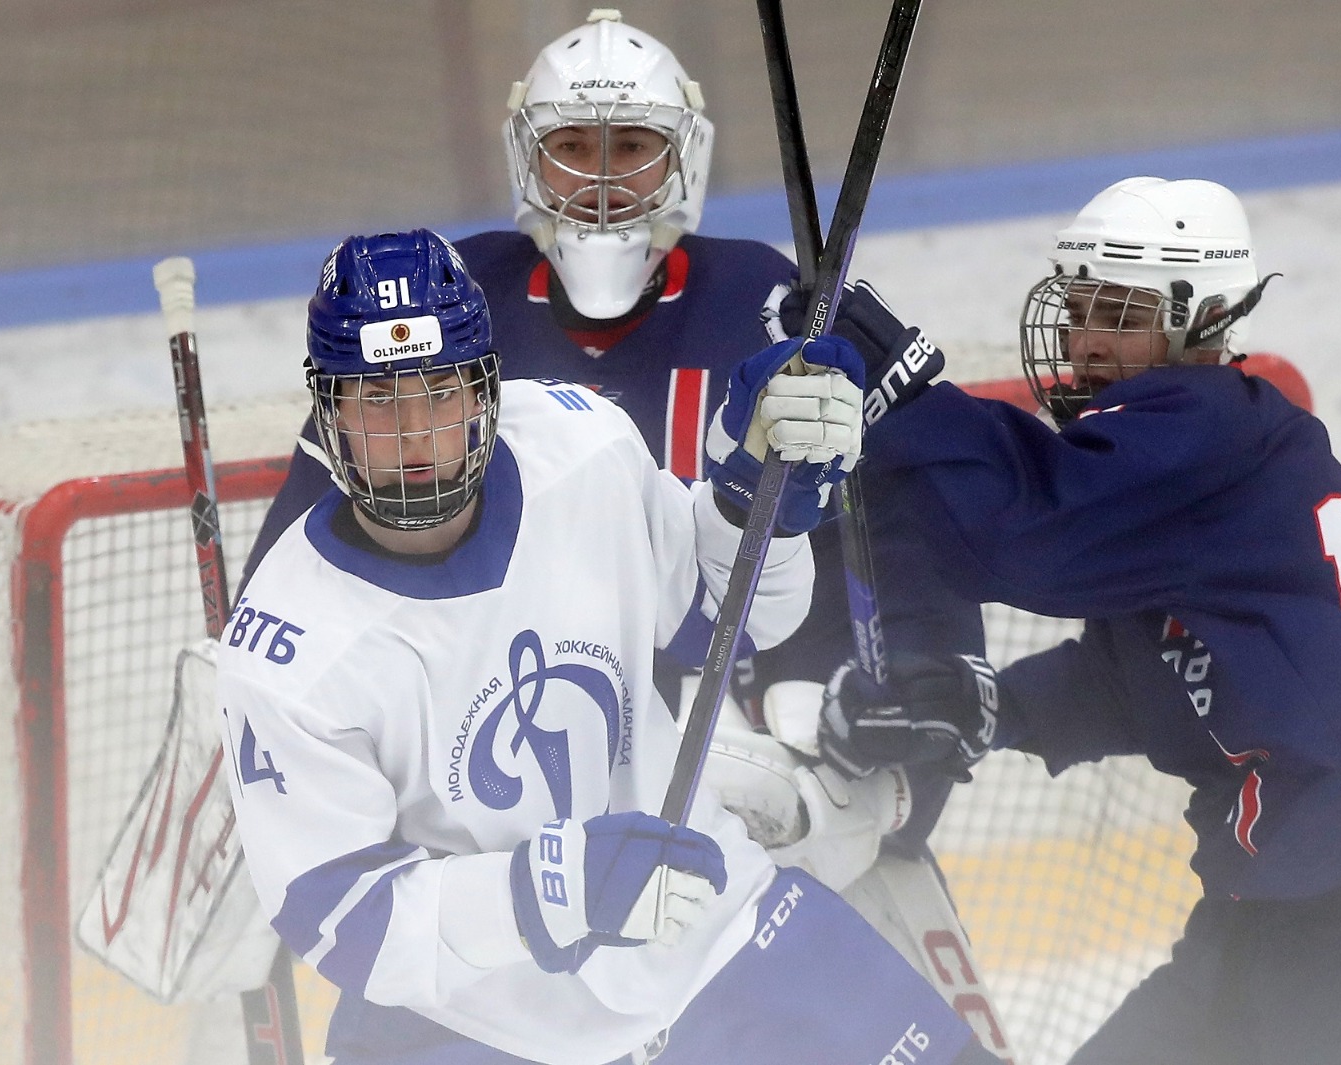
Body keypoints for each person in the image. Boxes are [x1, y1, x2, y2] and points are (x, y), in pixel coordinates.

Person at [219, 227, 1003, 1065]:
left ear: (484, 387)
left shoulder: (578, 445)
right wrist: (545, 891)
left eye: (439, 391)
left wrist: (755, 498)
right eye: (378, 402)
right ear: (329, 410)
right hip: (479, 1025)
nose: (415, 433)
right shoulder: (287, 650)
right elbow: (341, 915)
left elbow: (719, 613)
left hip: (710, 931)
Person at [239, 9, 980, 876]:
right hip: (495, 717)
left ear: (683, 159)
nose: (599, 182)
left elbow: (888, 532)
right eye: (572, 149)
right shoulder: (449, 307)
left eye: (631, 147)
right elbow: (306, 557)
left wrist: (911, 747)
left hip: (732, 697)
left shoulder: (763, 301)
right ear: (528, 159)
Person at [816, 177, 1341, 1064]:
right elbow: (1138, 678)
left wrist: (907, 395)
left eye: (1122, 314)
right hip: (1276, 913)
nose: (1088, 340)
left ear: (1202, 320)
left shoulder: (1200, 422)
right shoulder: (1192, 462)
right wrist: (990, 705)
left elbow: (1020, 538)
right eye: (1079, 309)